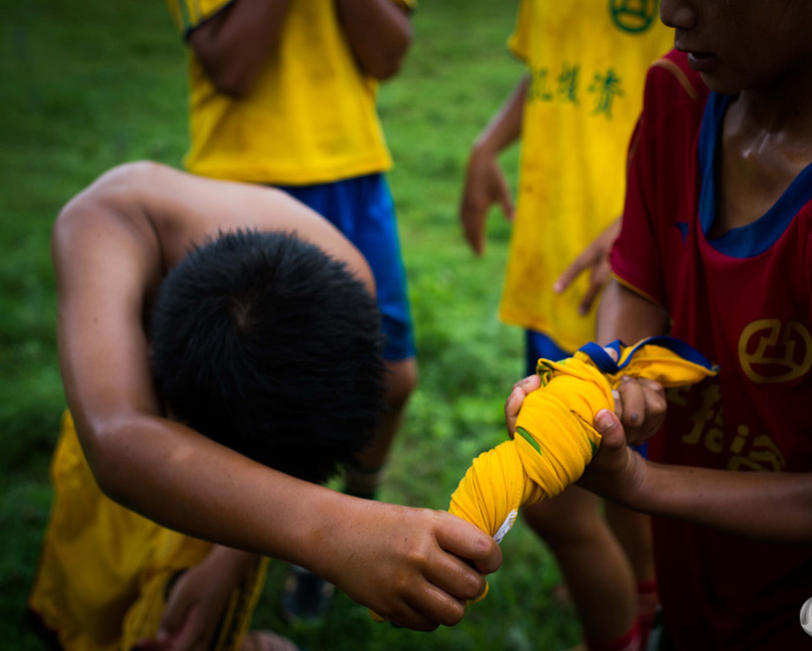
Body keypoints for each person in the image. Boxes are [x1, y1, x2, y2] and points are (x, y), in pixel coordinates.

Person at [521, 0, 812, 649]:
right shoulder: (679, 91)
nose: (670, 11)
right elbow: (636, 277)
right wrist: (610, 373)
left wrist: (646, 482)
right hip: (698, 588)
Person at [28, 162, 501, 650]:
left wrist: (230, 559)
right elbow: (119, 442)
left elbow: (281, 479)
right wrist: (338, 530)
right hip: (119, 466)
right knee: (95, 583)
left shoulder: (344, 278)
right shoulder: (100, 225)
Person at [165, 0, 419, 618]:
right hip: (241, 180)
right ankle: (213, 576)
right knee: (238, 399)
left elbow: (387, 53)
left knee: (388, 377)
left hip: (351, 173)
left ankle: (345, 517)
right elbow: (232, 66)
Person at [459, 2, 672, 648]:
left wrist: (642, 222)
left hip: (628, 281)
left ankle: (634, 615)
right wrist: (487, 144)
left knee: (584, 483)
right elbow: (554, 76)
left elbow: (718, 108)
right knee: (602, 468)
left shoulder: (687, 17)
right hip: (558, 264)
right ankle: (639, 587)